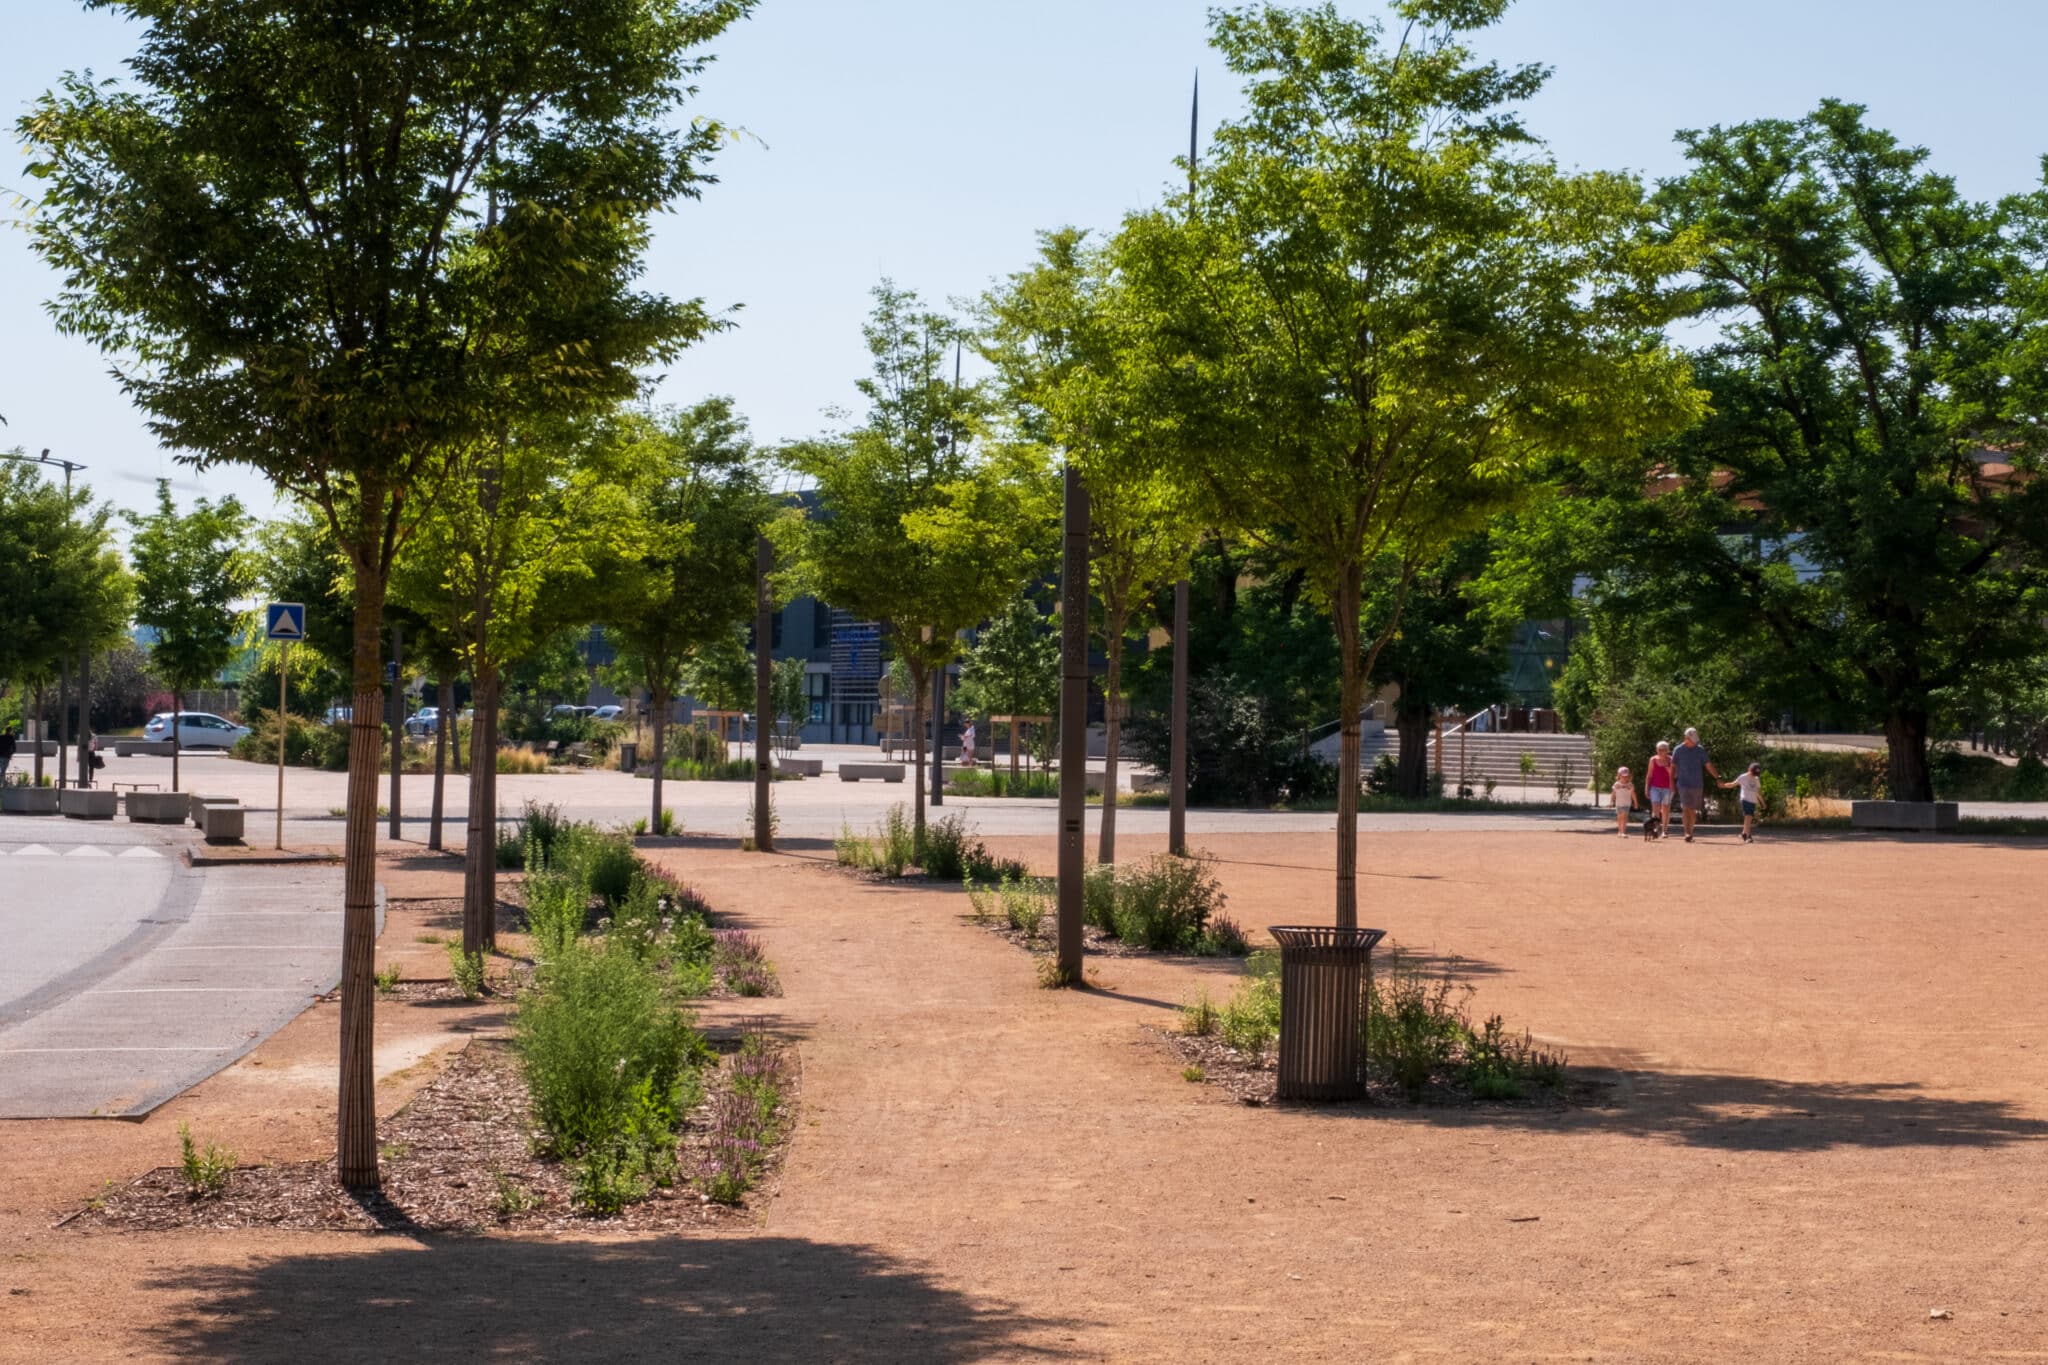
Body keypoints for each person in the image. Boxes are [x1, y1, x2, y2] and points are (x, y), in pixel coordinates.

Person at [1672, 726, 1721, 843]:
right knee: (1685, 808)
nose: (1694, 742)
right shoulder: (1678, 750)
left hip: (1697, 784)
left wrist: (1718, 777)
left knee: (1692, 810)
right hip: (1683, 783)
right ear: (1686, 738)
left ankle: (1691, 831)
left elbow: (1708, 765)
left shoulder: (1700, 750)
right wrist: (1671, 782)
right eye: (1692, 739)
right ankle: (1687, 833)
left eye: (1695, 740)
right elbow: (1672, 767)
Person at [1722, 761, 1763, 843]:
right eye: (1753, 773)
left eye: (1756, 774)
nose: (1754, 775)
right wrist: (1723, 785)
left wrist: (1762, 802)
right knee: (1748, 817)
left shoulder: (1756, 779)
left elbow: (1758, 792)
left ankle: (1744, 833)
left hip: (1753, 800)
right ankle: (1748, 836)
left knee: (1749, 818)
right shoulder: (1743, 777)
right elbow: (1733, 784)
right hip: (1745, 799)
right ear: (1749, 769)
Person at [1644, 740, 1675, 838]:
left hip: (1668, 788)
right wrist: (1646, 788)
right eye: (1659, 749)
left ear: (1667, 750)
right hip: (1655, 787)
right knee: (1655, 808)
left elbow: (1675, 775)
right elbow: (1649, 775)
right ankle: (1655, 828)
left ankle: (1665, 830)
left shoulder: (1671, 760)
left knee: (1666, 809)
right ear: (1657, 750)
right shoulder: (1653, 760)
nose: (1661, 751)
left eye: (1664, 750)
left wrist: (1669, 769)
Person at [1610, 765, 1639, 837]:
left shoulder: (1630, 785)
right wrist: (1611, 801)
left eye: (1626, 776)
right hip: (1619, 804)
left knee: (1625, 817)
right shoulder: (1616, 784)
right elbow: (1613, 793)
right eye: (1623, 776)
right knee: (1619, 817)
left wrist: (1635, 802)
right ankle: (1619, 831)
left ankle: (1623, 831)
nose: (1625, 778)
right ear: (1619, 776)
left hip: (1627, 804)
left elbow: (1633, 794)